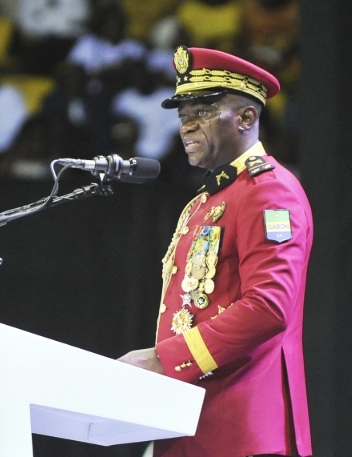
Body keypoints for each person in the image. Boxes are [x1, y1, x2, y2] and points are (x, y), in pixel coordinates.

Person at [118, 46, 313, 457]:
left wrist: (163, 360)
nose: (187, 126)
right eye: (183, 115)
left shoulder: (268, 191)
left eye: (202, 112)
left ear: (246, 118)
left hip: (241, 430)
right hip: (190, 424)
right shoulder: (206, 200)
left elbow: (268, 306)